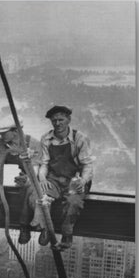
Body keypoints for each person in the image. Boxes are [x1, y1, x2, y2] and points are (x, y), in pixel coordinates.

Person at [39, 104, 94, 247]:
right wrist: (43, 179)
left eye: (61, 120)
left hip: (75, 179)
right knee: (43, 197)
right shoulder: (46, 139)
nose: (57, 123)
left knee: (73, 202)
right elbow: (44, 163)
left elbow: (87, 164)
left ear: (68, 120)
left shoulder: (79, 138)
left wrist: (83, 180)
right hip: (55, 178)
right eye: (54, 120)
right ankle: (45, 229)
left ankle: (67, 234)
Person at [0, 120, 47, 245]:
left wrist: (26, 178)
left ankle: (24, 225)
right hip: (7, 176)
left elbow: (35, 169)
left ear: (15, 131)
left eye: (4, 133)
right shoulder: (0, 143)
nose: (0, 136)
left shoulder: (33, 143)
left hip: (26, 177)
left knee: (29, 188)